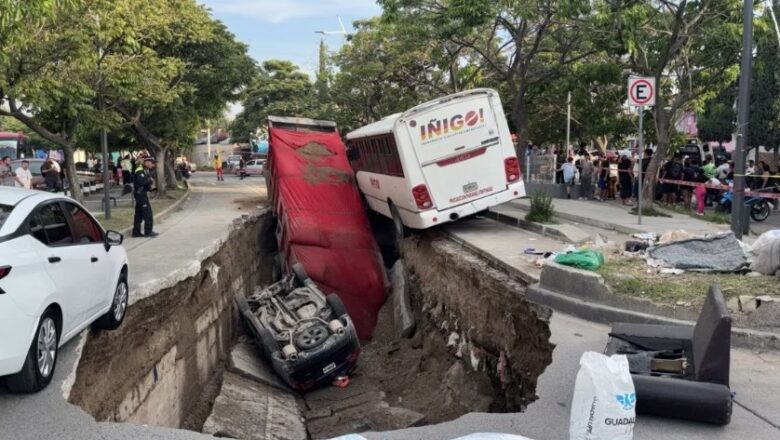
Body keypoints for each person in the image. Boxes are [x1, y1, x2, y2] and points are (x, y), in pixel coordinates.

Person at [132, 156, 158, 238]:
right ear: (147, 162)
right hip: (140, 195)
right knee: (148, 213)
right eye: (152, 163)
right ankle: (148, 232)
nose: (153, 165)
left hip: (141, 194)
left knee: (139, 214)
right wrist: (149, 180)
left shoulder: (144, 169)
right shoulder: (140, 169)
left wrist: (151, 188)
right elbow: (141, 182)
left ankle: (136, 232)